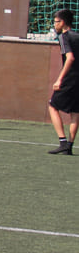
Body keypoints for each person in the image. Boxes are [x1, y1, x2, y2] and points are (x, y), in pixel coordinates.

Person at [47, 8, 79, 155]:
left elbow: (70, 58)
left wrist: (60, 79)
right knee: (75, 112)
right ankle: (69, 147)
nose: (55, 25)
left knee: (52, 105)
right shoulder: (77, 36)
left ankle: (63, 142)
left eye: (56, 22)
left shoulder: (64, 36)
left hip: (70, 78)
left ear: (63, 22)